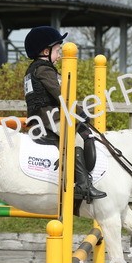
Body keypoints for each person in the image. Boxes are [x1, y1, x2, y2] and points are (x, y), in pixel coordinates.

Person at [23, 26, 106, 203]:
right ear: (45, 51)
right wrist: (80, 113)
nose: (60, 54)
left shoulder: (35, 68)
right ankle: (83, 185)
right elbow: (62, 95)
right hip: (48, 116)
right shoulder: (44, 69)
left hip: (42, 115)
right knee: (74, 138)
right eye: (57, 50)